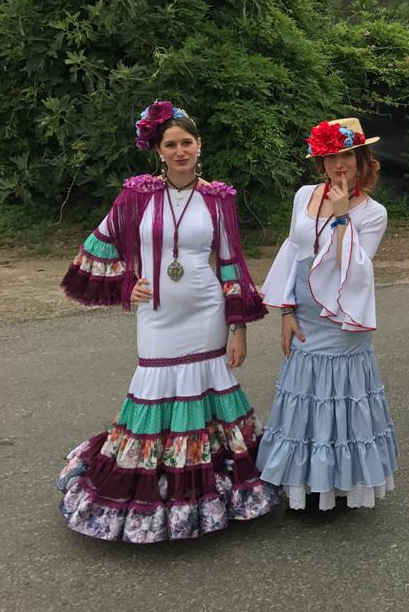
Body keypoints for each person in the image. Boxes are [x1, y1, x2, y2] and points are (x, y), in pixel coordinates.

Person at [57, 100, 277, 543]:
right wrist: (126, 286)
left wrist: (239, 327)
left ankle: (213, 491)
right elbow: (99, 245)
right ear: (157, 150)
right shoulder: (135, 195)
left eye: (187, 143)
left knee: (208, 389)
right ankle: (154, 492)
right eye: (171, 144)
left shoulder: (218, 198)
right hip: (157, 316)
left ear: (199, 146)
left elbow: (232, 264)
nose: (180, 152)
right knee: (154, 388)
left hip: (206, 310)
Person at [256, 118, 397, 519]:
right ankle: (303, 484)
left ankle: (335, 487)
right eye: (331, 155)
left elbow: (350, 268)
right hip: (303, 312)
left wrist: (339, 217)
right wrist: (284, 310)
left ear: (361, 160)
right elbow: (291, 250)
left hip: (340, 319)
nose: (340, 164)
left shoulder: (373, 214)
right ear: (321, 161)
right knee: (304, 396)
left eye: (348, 155)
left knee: (337, 399)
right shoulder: (303, 195)